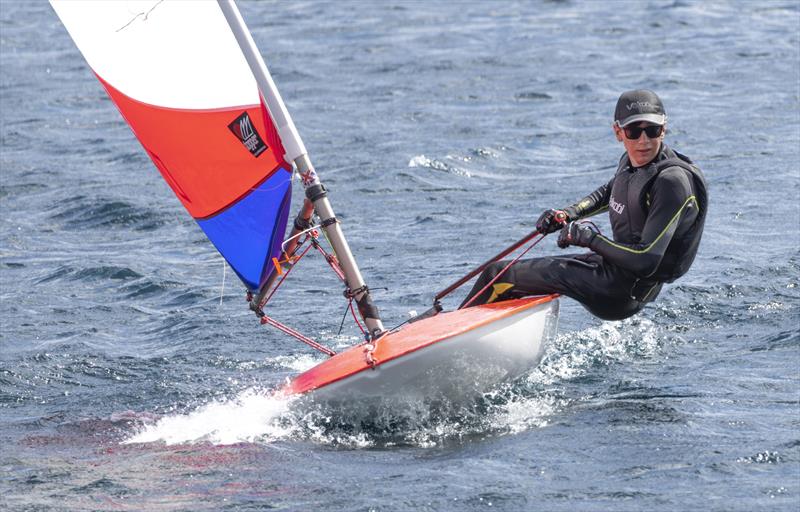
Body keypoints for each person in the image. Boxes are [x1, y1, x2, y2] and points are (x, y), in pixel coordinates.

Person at [460, 90, 708, 321]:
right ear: (618, 132)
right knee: (506, 275)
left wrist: (587, 238)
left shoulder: (672, 182)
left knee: (497, 277)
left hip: (618, 291)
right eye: (634, 131)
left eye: (652, 130)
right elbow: (613, 192)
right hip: (611, 270)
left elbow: (646, 260)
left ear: (663, 130)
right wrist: (568, 213)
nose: (643, 140)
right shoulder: (632, 162)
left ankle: (453, 335)